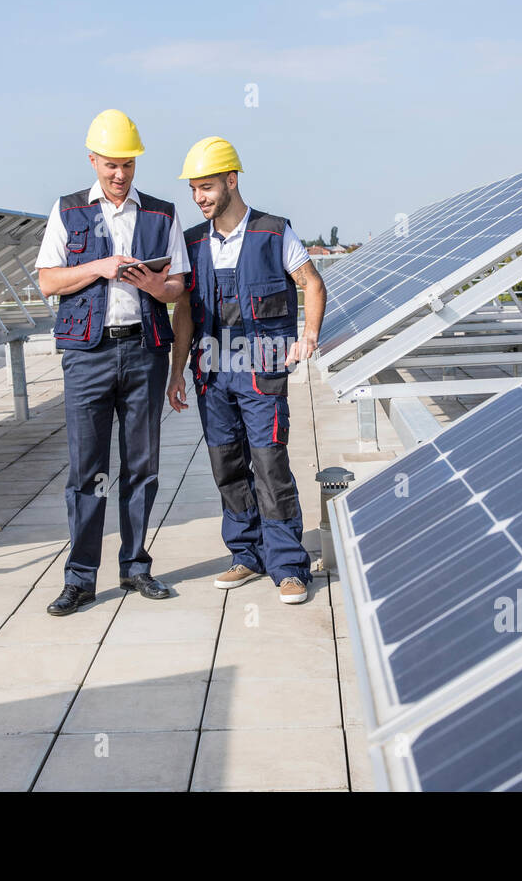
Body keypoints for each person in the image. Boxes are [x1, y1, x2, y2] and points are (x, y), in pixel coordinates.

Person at [36, 109, 189, 616]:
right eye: (110, 165)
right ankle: (80, 578)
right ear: (93, 160)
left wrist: (151, 284)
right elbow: (48, 281)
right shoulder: (67, 211)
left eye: (127, 165)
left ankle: (136, 567)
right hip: (88, 356)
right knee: (87, 469)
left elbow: (178, 286)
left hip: (145, 350)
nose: (119, 174)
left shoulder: (163, 215)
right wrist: (100, 267)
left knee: (142, 467)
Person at [166, 137, 327, 604]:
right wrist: (178, 372)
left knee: (269, 464)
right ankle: (246, 553)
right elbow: (185, 315)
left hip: (262, 370)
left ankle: (289, 565)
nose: (199, 197)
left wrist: (308, 336)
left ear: (232, 181)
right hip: (211, 372)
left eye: (208, 187)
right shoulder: (192, 242)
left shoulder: (274, 233)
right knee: (227, 465)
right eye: (194, 189)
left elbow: (311, 284)